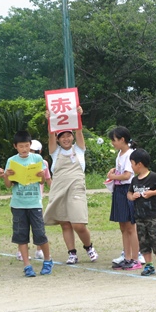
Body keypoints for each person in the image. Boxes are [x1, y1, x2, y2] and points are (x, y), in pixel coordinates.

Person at [44, 106, 98, 264]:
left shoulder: (79, 150)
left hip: (76, 188)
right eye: (62, 136)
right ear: (58, 139)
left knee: (78, 223)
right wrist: (50, 120)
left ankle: (89, 247)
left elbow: (80, 132)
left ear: (72, 137)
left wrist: (78, 117)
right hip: (59, 188)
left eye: (69, 135)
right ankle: (71, 253)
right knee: (65, 223)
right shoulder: (55, 152)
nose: (66, 139)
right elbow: (50, 134)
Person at [3, 131, 53, 277]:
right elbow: (8, 185)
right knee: (21, 235)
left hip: (34, 203)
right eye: (21, 146)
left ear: (30, 145)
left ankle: (48, 260)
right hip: (18, 204)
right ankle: (27, 265)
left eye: (26, 146)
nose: (24, 149)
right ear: (15, 146)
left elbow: (42, 182)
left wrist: (41, 176)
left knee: (40, 234)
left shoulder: (37, 158)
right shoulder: (11, 161)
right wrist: (6, 175)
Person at [127, 148, 156, 276]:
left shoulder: (153, 177)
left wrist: (153, 192)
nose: (131, 166)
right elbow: (128, 193)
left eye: (132, 164)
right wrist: (132, 196)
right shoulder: (134, 180)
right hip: (139, 217)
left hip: (153, 216)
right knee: (143, 241)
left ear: (139, 164)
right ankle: (149, 265)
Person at [107, 126, 143, 270]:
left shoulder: (130, 154)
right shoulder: (120, 154)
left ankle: (135, 258)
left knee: (130, 227)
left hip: (127, 190)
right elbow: (120, 171)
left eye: (114, 140)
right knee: (123, 226)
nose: (112, 143)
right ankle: (127, 257)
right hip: (118, 191)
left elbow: (127, 175)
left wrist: (113, 177)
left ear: (122, 140)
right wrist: (113, 172)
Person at [15, 139, 52, 262]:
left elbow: (47, 179)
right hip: (22, 198)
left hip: (37, 198)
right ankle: (20, 251)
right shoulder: (17, 161)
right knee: (22, 228)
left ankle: (39, 250)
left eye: (34, 150)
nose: (29, 152)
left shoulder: (42, 162)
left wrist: (53, 193)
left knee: (38, 228)